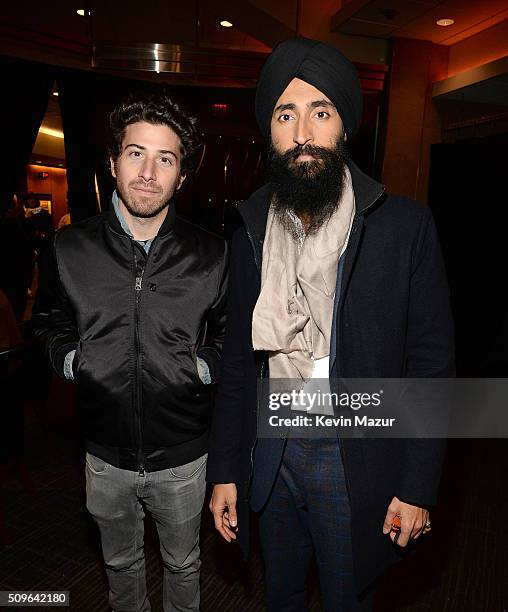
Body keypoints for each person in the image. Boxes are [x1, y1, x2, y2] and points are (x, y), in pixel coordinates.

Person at [207, 37, 454, 611]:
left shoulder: (403, 228)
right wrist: (225, 470)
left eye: (321, 112)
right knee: (282, 597)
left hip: (356, 456)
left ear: (344, 127)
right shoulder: (248, 228)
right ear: (268, 131)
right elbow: (238, 369)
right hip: (272, 455)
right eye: (284, 114)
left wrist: (417, 486)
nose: (302, 134)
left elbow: (432, 368)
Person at [32, 90, 228, 612]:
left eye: (165, 158)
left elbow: (231, 333)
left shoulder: (212, 253)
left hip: (185, 456)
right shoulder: (68, 248)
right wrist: (74, 360)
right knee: (120, 566)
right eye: (136, 153)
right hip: (102, 455)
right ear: (114, 161)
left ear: (181, 175)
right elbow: (47, 321)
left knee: (184, 565)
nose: (148, 171)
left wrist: (202, 367)